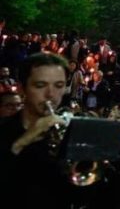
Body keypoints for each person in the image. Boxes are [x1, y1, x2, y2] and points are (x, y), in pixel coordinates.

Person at [0, 53, 72, 208]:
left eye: (59, 86)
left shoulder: (69, 132)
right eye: (40, 85)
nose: (50, 94)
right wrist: (23, 141)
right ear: (22, 89)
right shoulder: (3, 130)